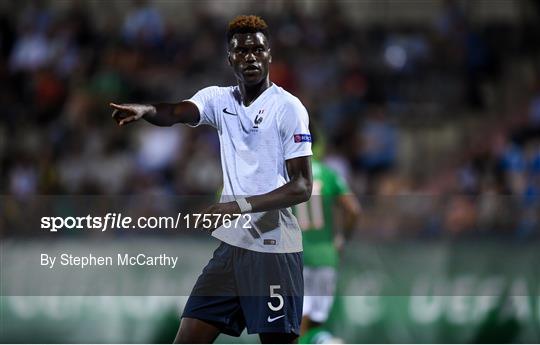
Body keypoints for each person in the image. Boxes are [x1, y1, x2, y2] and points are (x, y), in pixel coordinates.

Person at [110, 15, 312, 344]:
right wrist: (147, 110)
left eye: (257, 50)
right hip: (232, 251)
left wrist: (240, 206)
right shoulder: (219, 100)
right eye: (241, 51)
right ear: (230, 58)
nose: (250, 57)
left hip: (274, 250)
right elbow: (176, 112)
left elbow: (303, 186)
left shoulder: (288, 108)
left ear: (269, 55)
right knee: (188, 338)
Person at [295, 130, 361, 344]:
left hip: (299, 256)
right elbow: (353, 209)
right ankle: (324, 341)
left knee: (296, 325)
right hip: (327, 257)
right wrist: (341, 239)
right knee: (315, 321)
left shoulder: (288, 175)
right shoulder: (330, 174)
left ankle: (324, 342)